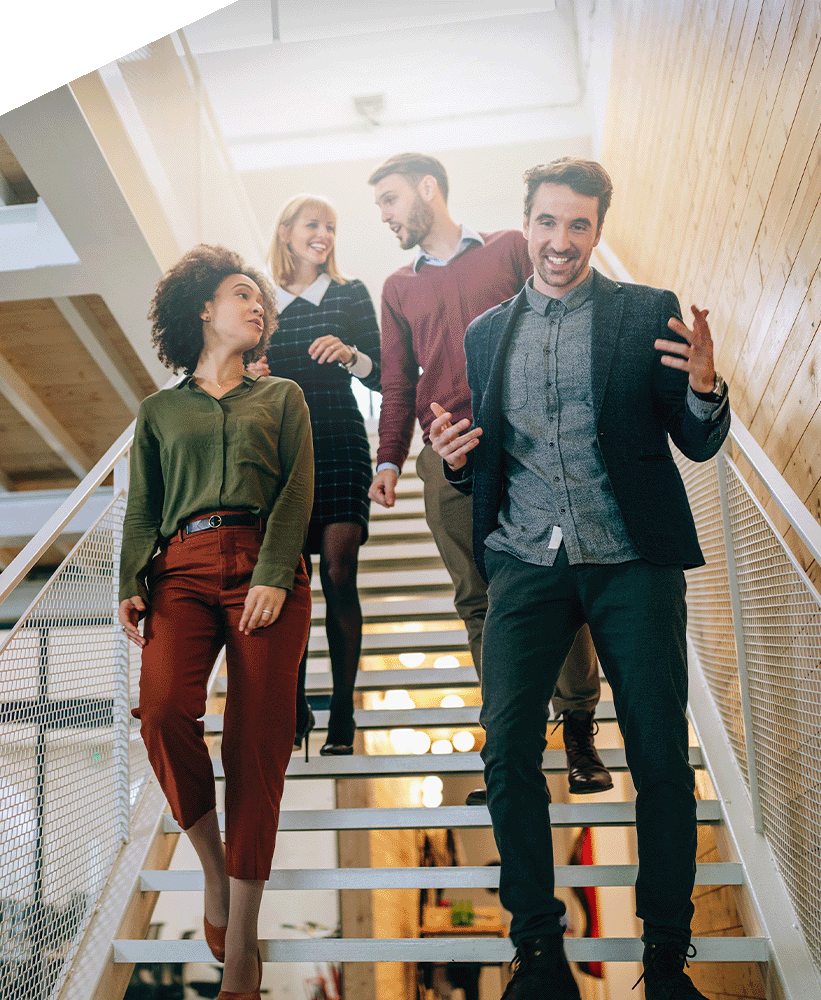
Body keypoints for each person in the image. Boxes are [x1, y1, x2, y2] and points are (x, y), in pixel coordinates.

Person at [430, 157, 730, 1000]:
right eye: (547, 223)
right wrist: (457, 464)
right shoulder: (487, 333)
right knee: (505, 751)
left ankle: (665, 961)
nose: (560, 242)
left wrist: (703, 388)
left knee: (661, 756)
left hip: (630, 557)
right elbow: (485, 460)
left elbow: (695, 441)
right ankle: (538, 953)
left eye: (579, 226)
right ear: (522, 224)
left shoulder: (645, 313)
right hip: (525, 561)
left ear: (597, 230)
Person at [367, 153, 610, 800]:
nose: (385, 217)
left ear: (427, 188)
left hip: (526, 447)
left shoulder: (508, 248)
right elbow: (397, 381)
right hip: (446, 458)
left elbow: (561, 315)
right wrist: (389, 458)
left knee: (560, 585)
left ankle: (579, 726)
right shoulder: (397, 287)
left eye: (389, 200)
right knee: (479, 602)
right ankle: (509, 743)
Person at [118, 244, 313, 1000]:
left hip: (265, 563)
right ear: (203, 307)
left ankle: (241, 948)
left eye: (261, 299)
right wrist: (134, 577)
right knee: (164, 713)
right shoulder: (159, 412)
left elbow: (297, 491)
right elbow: (142, 506)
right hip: (181, 569)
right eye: (241, 294)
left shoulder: (283, 396)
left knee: (255, 740)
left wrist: (271, 573)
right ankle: (211, 870)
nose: (256, 305)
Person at [248, 194, 381, 756]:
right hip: (283, 451)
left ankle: (344, 713)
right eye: (312, 225)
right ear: (286, 232)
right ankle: (295, 705)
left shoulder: (350, 294)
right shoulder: (260, 300)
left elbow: (384, 377)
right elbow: (236, 373)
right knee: (292, 582)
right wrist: (252, 372)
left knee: (339, 574)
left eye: (330, 225)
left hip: (341, 441)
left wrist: (351, 354)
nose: (323, 234)